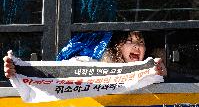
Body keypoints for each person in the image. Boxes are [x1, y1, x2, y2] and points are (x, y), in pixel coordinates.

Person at [3, 31, 167, 78]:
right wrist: (19, 72)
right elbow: (59, 77)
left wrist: (160, 72)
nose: (137, 46)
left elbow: (162, 76)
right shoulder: (91, 63)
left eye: (141, 43)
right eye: (130, 41)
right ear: (118, 46)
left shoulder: (151, 67)